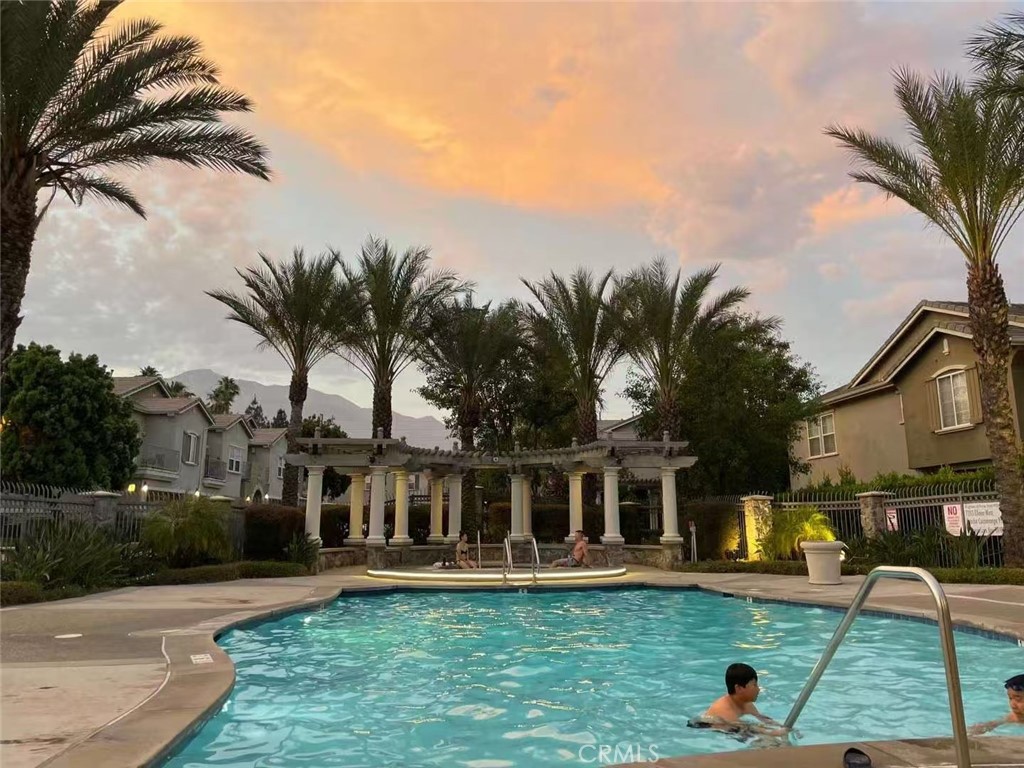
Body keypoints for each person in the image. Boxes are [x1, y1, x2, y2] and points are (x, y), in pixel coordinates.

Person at [691, 663, 789, 737]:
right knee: (766, 741)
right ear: (739, 688)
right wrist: (773, 733)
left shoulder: (746, 703)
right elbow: (746, 729)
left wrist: (782, 726)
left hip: (736, 729)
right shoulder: (723, 710)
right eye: (754, 685)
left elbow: (762, 720)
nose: (758, 689)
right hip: (711, 730)